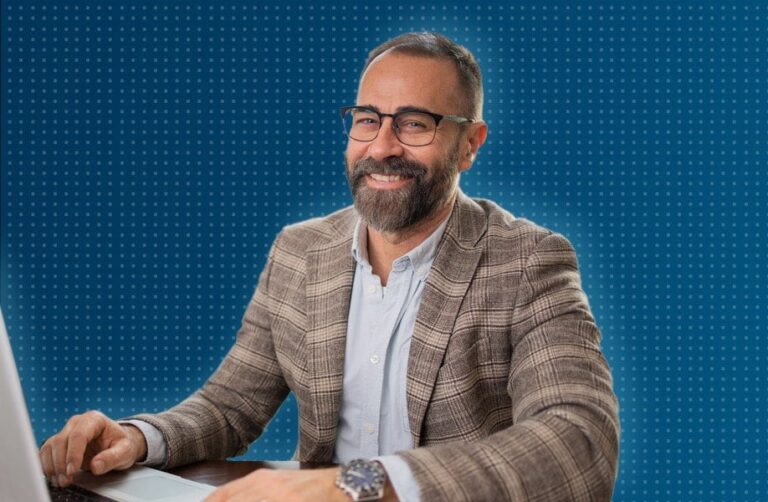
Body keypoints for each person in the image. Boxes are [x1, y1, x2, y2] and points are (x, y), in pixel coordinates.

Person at [40, 32, 620, 501]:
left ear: (469, 144)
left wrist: (356, 487)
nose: (383, 145)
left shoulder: (529, 261)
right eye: (368, 118)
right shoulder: (301, 251)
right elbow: (230, 406)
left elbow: (578, 440)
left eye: (415, 123)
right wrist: (138, 439)